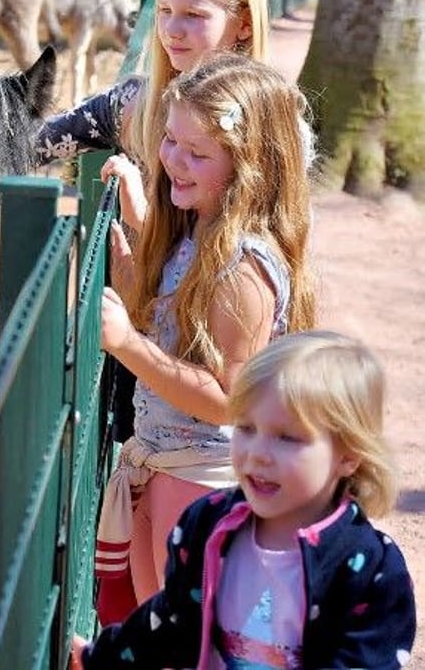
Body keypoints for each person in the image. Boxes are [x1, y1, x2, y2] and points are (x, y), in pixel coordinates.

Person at [94, 52, 316, 622]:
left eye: (197, 154)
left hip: (207, 478)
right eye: (170, 141)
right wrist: (132, 269)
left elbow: (228, 399)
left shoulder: (241, 268)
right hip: (165, 461)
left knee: (192, 642)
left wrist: (126, 343)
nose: (174, 161)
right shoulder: (197, 231)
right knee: (160, 631)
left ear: (249, 168)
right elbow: (175, 324)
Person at [72, 330, 416, 668]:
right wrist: (98, 658)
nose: (258, 454)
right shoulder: (206, 522)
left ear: (348, 455)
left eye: (287, 438)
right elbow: (170, 622)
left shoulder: (371, 568)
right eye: (247, 429)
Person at [36, 0, 270, 232]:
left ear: (245, 25)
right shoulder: (133, 104)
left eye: (193, 15)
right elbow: (33, 143)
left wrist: (142, 221)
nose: (172, 29)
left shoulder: (270, 122)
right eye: (164, 10)